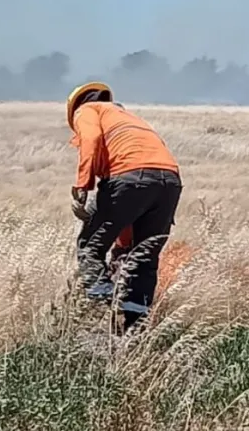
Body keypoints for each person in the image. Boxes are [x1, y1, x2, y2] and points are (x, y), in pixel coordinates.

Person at [67, 81, 183, 334]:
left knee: (90, 248)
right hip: (170, 181)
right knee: (143, 256)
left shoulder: (87, 110)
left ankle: (98, 312)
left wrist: (82, 185)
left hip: (129, 176)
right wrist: (122, 249)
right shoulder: (129, 119)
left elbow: (91, 138)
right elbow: (133, 208)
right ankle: (135, 328)